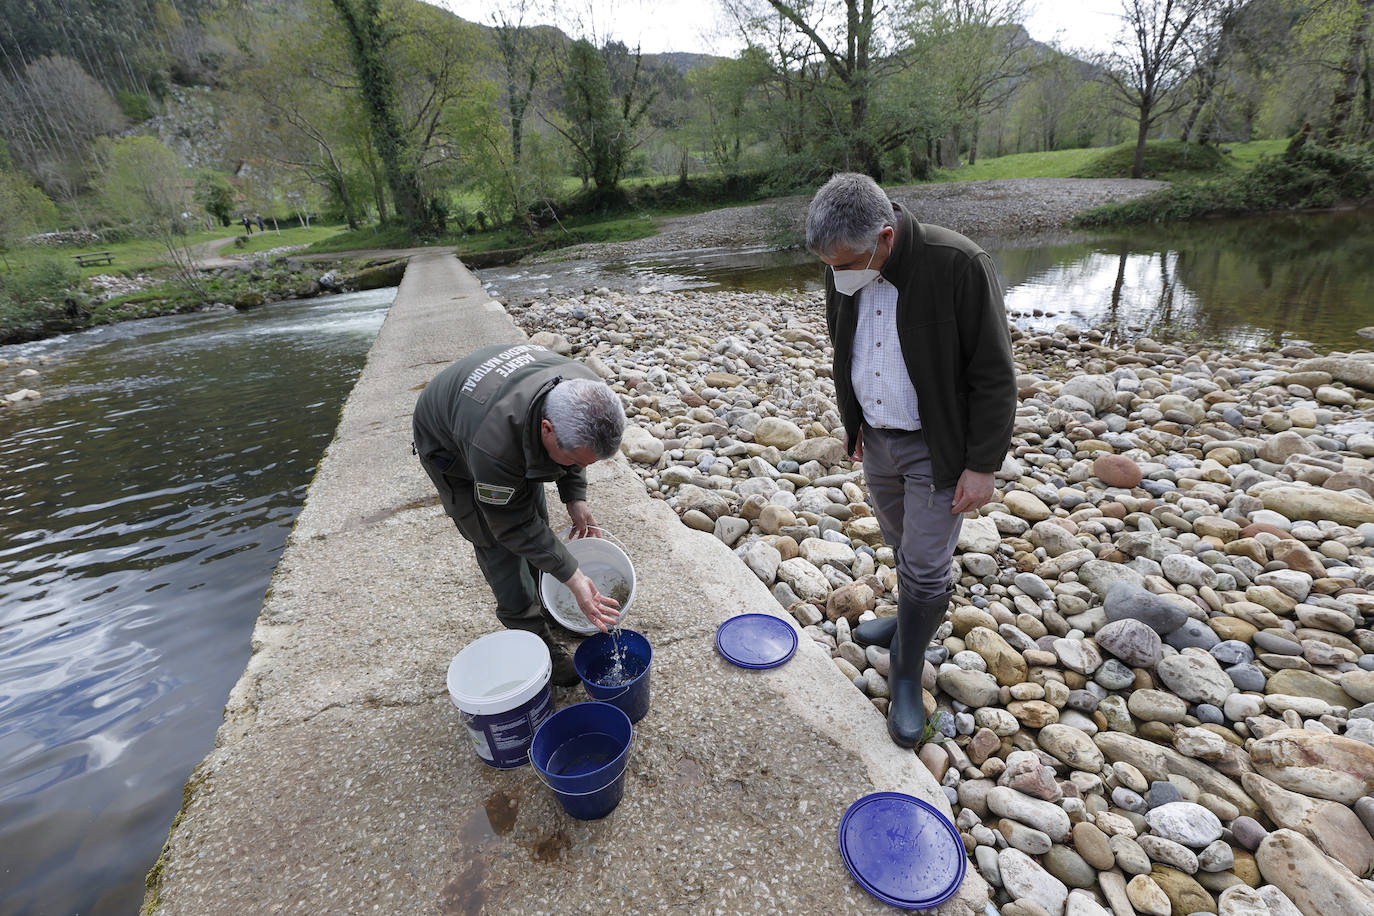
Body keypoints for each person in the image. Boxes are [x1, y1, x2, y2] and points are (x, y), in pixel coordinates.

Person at [806, 173, 1016, 747]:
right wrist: (854, 423)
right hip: (878, 438)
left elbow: (994, 373)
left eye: (845, 262)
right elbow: (843, 346)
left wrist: (982, 464)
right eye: (829, 265)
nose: (837, 275)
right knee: (902, 544)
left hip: (938, 445)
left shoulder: (958, 265)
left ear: (886, 237)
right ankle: (907, 621)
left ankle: (905, 669)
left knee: (925, 565)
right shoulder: (845, 269)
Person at [412, 343, 627, 686]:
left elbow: (575, 448)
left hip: (502, 413)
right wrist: (573, 576)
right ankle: (535, 640)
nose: (578, 468)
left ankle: (549, 606)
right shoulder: (493, 446)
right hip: (448, 441)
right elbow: (512, 524)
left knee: (536, 525)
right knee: (497, 540)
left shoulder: (585, 386)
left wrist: (575, 496)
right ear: (546, 429)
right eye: (574, 463)